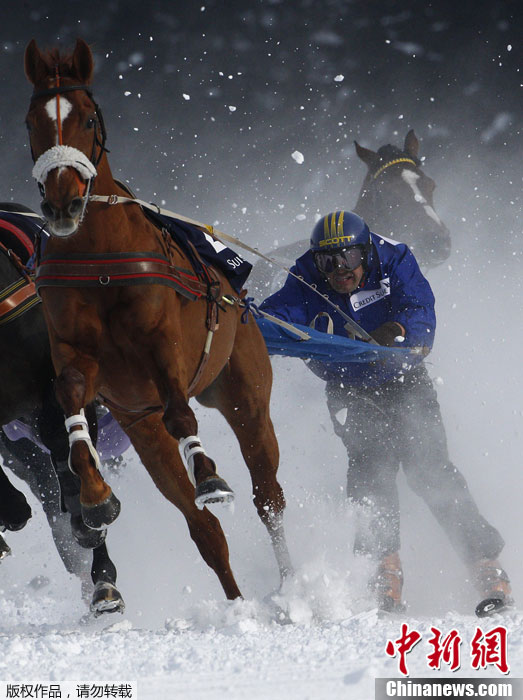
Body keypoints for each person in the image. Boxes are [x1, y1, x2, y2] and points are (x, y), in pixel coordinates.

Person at [260, 210, 513, 616]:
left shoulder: (394, 258)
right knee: (368, 472)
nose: (339, 271)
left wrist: (397, 331)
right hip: (350, 388)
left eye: (348, 259)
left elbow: (420, 307)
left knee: (429, 468)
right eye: (328, 261)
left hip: (403, 378)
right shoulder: (306, 276)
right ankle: (382, 569)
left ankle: (484, 562)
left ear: (365, 252)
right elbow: (275, 318)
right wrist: (245, 319)